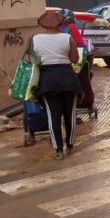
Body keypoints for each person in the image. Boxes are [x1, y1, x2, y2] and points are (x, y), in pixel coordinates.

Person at [32, 10, 81, 160]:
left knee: (53, 116)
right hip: (67, 79)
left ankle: (58, 150)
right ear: (60, 23)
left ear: (43, 24)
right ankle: (70, 144)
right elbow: (74, 59)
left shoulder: (35, 39)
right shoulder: (68, 38)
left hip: (47, 81)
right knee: (69, 114)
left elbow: (32, 62)